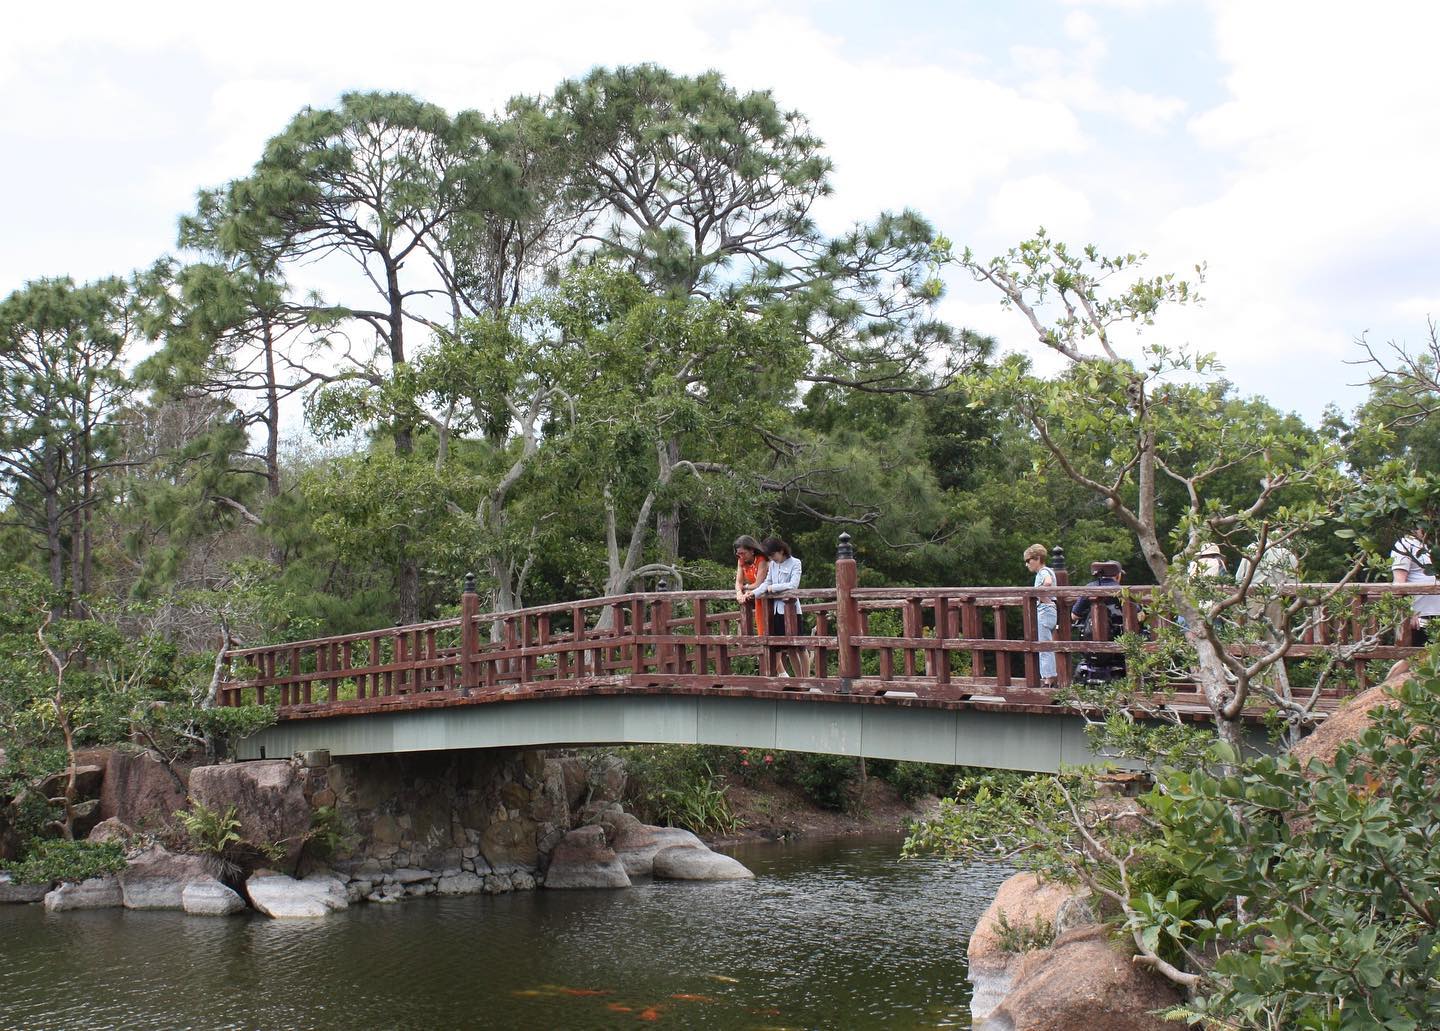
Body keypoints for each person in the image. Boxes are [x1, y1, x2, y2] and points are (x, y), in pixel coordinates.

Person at [741, 537, 809, 678]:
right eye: (770, 556)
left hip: (792, 610)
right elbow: (767, 583)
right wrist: (753, 593)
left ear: (781, 550)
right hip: (777, 611)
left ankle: (807, 679)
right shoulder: (772, 564)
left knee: (800, 647)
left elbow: (793, 585)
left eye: (773, 555)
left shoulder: (795, 563)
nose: (772, 558)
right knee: (789, 648)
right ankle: (799, 680)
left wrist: (774, 588)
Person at [1072, 561, 1126, 684]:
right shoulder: (1123, 591)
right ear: (1118, 575)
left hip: (1089, 643)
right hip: (1118, 643)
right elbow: (1138, 615)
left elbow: (1074, 615)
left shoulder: (1088, 588)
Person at [1391, 529, 1440, 647]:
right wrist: (1409, 613)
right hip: (1420, 617)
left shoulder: (1434, 544)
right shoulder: (1405, 544)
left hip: (1437, 614)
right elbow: (1398, 583)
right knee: (1415, 659)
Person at [1024, 544, 1059, 688]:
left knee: (1044, 646)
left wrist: (1038, 595)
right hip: (1049, 610)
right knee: (1045, 644)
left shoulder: (1043, 572)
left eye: (1029, 560)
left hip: (1044, 610)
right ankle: (1049, 677)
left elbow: (1048, 583)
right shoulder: (1049, 570)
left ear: (1037, 558)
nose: (1027, 564)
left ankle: (1048, 679)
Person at [733, 535, 769, 636]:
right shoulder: (741, 561)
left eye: (743, 553)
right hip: (757, 596)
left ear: (752, 550)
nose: (741, 556)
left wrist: (745, 587)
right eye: (738, 553)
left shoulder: (761, 560)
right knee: (762, 630)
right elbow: (738, 582)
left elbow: (758, 583)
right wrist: (739, 593)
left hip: (768, 596)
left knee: (773, 630)